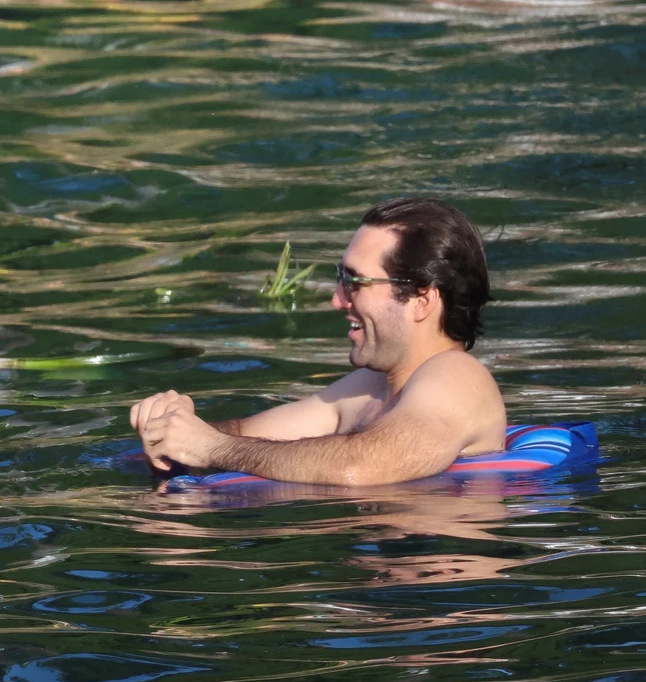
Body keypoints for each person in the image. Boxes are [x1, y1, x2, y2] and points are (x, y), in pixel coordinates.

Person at [130, 197, 505, 487]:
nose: (337, 299)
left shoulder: (457, 377)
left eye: (356, 283)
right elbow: (247, 435)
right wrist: (174, 429)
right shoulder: (372, 389)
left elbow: (359, 466)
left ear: (422, 300)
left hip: (429, 580)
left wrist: (211, 447)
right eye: (340, 278)